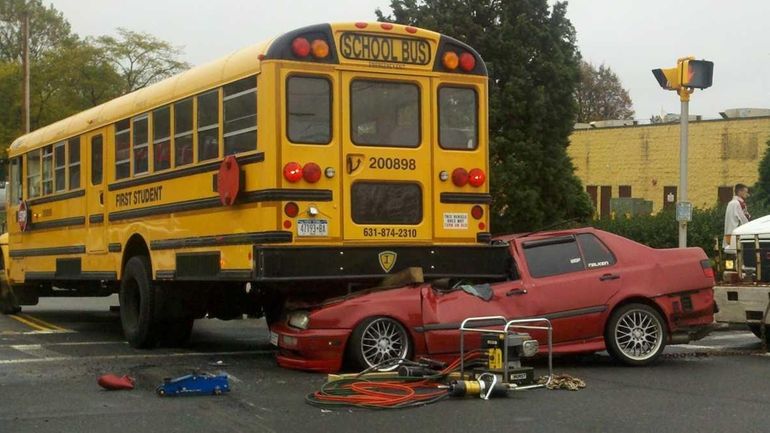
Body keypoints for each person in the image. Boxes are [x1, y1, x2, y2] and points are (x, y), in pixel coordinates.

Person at [723, 183, 751, 252]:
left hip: (729, 234)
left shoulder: (731, 203)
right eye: (746, 192)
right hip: (737, 234)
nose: (747, 194)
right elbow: (744, 219)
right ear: (740, 192)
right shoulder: (738, 203)